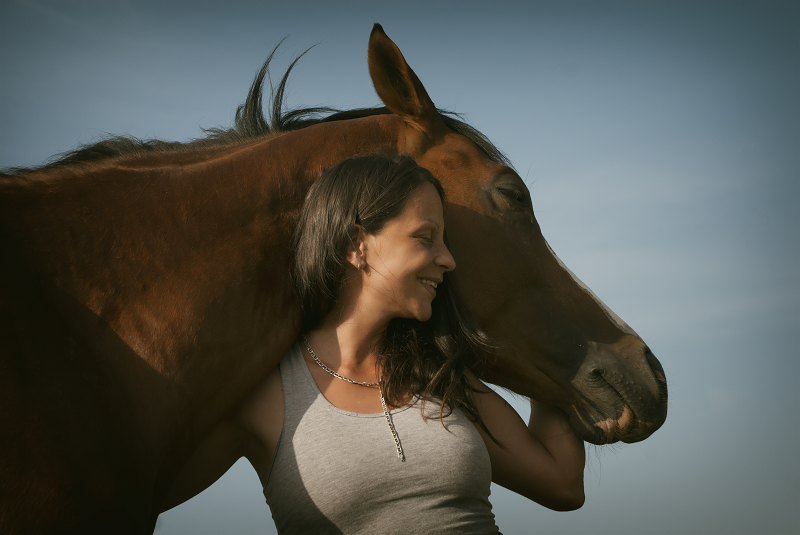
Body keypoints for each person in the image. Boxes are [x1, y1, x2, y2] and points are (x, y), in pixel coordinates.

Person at [161, 155, 585, 534]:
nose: (448, 259)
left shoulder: (440, 373)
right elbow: (125, 500)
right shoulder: (264, 394)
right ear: (356, 245)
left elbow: (563, 483)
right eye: (425, 237)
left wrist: (549, 343)